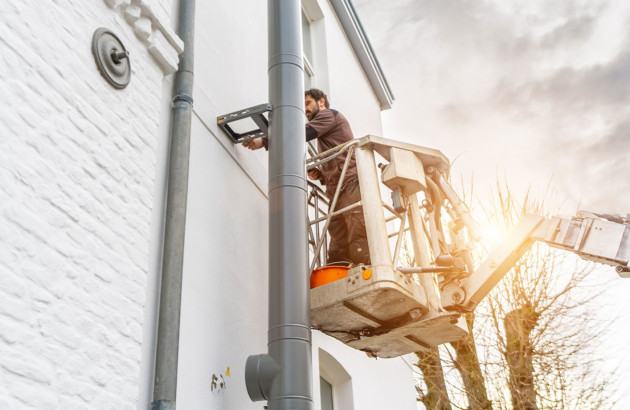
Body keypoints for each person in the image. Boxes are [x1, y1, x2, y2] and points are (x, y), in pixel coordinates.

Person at [243, 88, 370, 266]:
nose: (305, 109)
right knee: (338, 244)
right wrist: (320, 174)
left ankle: (365, 271)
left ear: (321, 102)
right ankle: (338, 275)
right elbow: (336, 162)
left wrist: (264, 140)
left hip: (350, 185)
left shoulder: (329, 115)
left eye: (307, 103)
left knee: (356, 233)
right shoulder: (326, 134)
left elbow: (298, 134)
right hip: (337, 191)